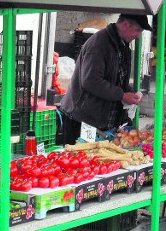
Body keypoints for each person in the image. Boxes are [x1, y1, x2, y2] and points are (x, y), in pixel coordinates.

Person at [59, 14, 152, 144]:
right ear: (125, 24)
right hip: (82, 119)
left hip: (102, 120)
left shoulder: (123, 45)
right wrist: (121, 95)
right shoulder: (98, 45)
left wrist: (130, 92)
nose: (137, 36)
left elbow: (118, 78)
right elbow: (91, 80)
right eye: (137, 31)